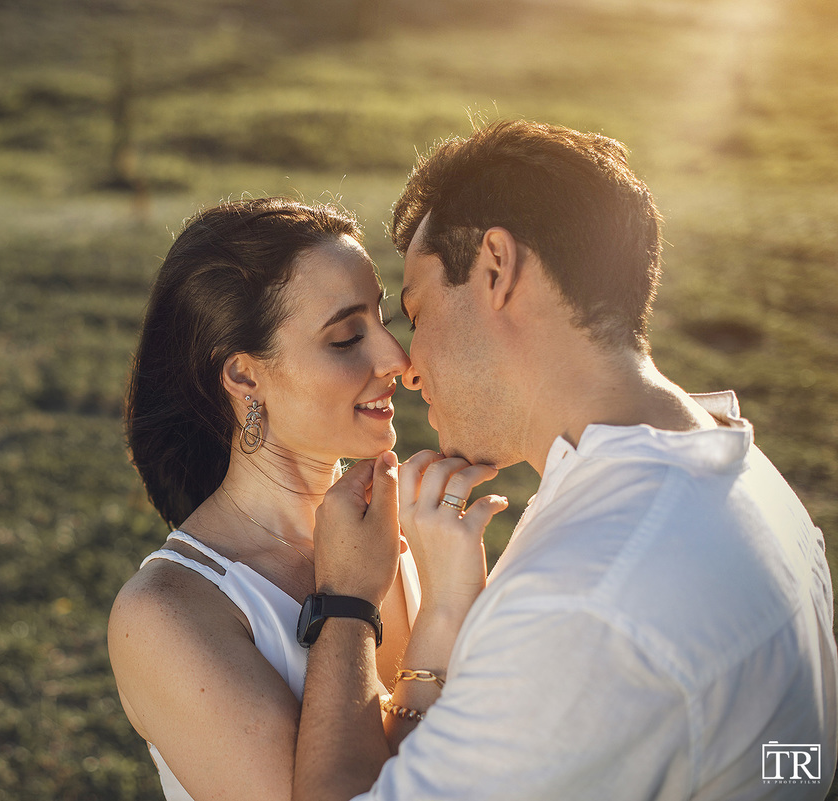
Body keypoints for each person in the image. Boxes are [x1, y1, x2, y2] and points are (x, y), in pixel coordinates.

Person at [293, 120, 838, 800]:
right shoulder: (743, 473)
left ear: (496, 267)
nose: (407, 366)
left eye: (418, 311)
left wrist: (344, 602)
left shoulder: (588, 598)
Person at [108, 198, 421, 801]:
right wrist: (349, 602)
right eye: (348, 336)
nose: (395, 358)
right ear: (246, 377)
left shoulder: (406, 528)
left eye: (383, 320)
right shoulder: (166, 614)